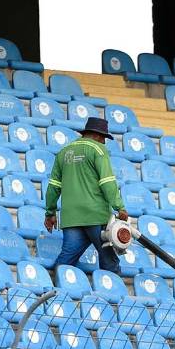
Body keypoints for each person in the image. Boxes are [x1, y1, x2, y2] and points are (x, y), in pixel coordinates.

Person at [44, 117, 129, 274]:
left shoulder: (64, 152)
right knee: (109, 260)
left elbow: (53, 187)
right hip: (95, 215)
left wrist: (50, 213)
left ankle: (55, 289)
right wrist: (120, 207)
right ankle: (113, 296)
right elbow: (107, 182)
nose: (104, 142)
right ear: (97, 135)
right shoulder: (98, 149)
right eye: (104, 138)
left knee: (66, 260)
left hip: (71, 217)